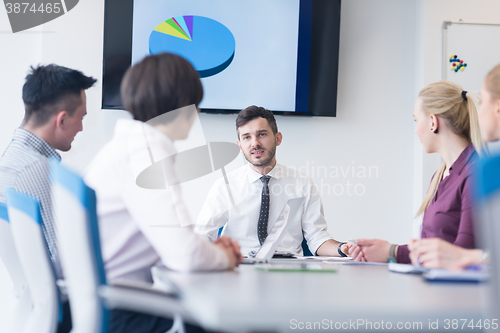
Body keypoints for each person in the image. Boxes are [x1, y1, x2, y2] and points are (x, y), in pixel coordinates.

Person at [84, 53, 242, 333]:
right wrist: (225, 258)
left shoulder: (129, 145)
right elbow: (185, 256)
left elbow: (175, 238)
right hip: (120, 312)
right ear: (185, 105)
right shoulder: (145, 153)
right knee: (231, 323)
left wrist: (208, 249)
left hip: (103, 303)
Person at [0, 64, 97, 332]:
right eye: (82, 117)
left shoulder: (12, 159)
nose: (81, 127)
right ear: (62, 119)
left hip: (30, 310)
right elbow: (67, 263)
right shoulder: (36, 170)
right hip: (62, 314)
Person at [349, 80, 485, 264]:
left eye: (416, 120)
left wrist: (393, 251)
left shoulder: (475, 174)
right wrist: (387, 252)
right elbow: (430, 247)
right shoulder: (439, 176)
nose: (415, 130)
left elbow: (461, 255)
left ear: (432, 122)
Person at [195, 106, 350, 257]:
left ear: (278, 138)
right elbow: (203, 235)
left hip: (288, 270)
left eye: (261, 134)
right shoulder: (225, 186)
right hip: (240, 267)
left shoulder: (302, 184)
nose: (255, 143)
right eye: (247, 137)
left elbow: (317, 238)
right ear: (240, 146)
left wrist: (344, 249)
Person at [408, 64, 500, 269]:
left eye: (483, 100)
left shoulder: (482, 171)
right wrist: (391, 251)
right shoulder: (439, 177)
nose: (478, 110)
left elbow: (461, 252)